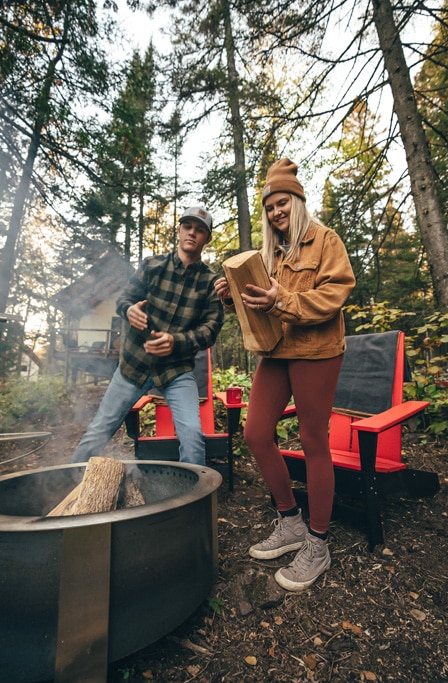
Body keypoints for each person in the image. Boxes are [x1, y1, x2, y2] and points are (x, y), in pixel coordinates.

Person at [215, 159, 356, 591]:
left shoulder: (324, 240)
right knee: (256, 433)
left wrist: (283, 299)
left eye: (283, 203)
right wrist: (231, 296)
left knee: (314, 440)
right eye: (270, 207)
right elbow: (259, 303)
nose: (276, 212)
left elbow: (335, 293)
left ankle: (318, 541)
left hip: (316, 350)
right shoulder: (268, 254)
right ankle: (290, 519)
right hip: (277, 351)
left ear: (297, 201)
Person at [72, 206, 224, 466]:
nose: (192, 233)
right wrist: (129, 310)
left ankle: (193, 504)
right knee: (100, 430)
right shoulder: (152, 266)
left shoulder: (211, 282)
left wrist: (177, 342)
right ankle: (68, 487)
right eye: (188, 227)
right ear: (179, 230)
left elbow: (210, 330)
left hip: (177, 371)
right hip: (134, 365)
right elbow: (124, 299)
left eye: (199, 230)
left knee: (193, 437)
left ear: (207, 238)